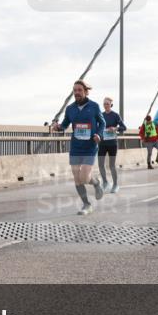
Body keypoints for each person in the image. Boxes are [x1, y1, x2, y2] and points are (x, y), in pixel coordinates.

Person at [51, 81, 105, 215]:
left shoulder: (94, 106)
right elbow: (64, 125)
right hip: (75, 147)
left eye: (79, 90)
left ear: (86, 91)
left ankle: (96, 183)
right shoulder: (70, 109)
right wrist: (58, 127)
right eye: (74, 90)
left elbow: (102, 123)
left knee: (85, 177)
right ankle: (86, 205)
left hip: (90, 146)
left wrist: (98, 134)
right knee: (77, 178)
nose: (76, 93)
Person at [97, 97, 125, 193]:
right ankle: (105, 182)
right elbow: (97, 126)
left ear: (111, 105)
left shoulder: (115, 115)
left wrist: (115, 128)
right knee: (100, 164)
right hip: (102, 143)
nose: (105, 105)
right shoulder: (100, 115)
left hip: (112, 143)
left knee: (111, 165)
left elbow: (123, 127)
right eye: (104, 104)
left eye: (107, 104)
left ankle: (115, 184)